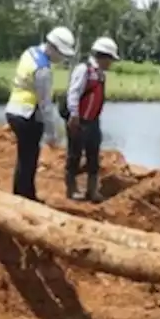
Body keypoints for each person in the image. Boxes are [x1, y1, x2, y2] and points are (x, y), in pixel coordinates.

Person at [4, 26, 76, 200]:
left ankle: (21, 193)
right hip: (27, 114)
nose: (62, 58)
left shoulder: (30, 53)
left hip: (13, 110)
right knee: (29, 158)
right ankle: (25, 197)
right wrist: (52, 136)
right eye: (62, 54)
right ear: (54, 48)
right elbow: (46, 106)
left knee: (24, 156)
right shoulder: (43, 70)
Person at [65, 37, 119, 202]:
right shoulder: (84, 70)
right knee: (74, 155)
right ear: (103, 57)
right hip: (79, 120)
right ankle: (72, 189)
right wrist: (73, 115)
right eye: (110, 59)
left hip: (93, 121)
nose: (111, 63)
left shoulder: (101, 74)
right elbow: (73, 93)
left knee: (93, 156)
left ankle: (92, 190)